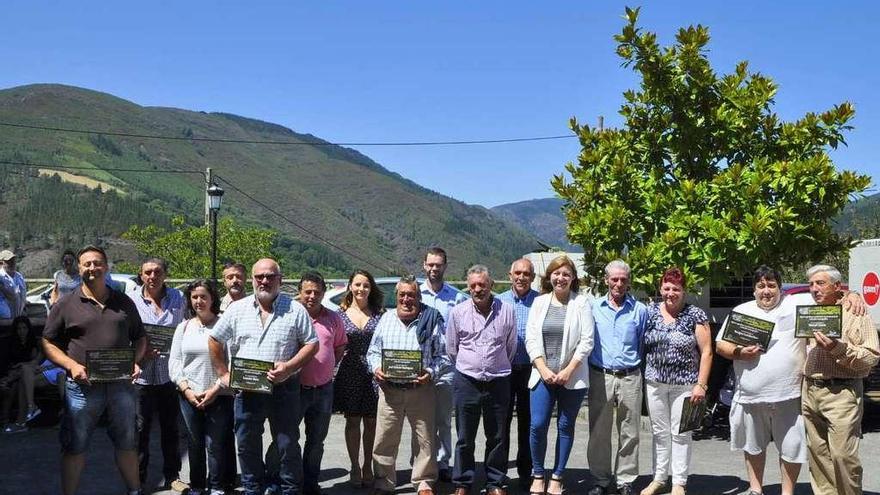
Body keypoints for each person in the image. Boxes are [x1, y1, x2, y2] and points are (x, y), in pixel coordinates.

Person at [42, 245, 147, 495]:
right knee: (74, 445)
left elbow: (140, 338)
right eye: (87, 264)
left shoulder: (123, 302)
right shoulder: (66, 304)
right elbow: (47, 342)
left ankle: (135, 491)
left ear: (106, 266)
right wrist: (71, 365)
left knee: (127, 442)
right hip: (81, 387)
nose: (92, 268)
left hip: (121, 386)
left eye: (97, 263)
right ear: (79, 268)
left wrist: (136, 361)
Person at [208, 258, 318, 495]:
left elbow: (312, 344)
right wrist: (223, 373)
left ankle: (289, 489)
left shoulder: (295, 309)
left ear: (280, 279)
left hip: (284, 388)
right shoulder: (237, 309)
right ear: (252, 280)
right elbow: (215, 339)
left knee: (287, 444)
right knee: (247, 444)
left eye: (270, 276)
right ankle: (252, 489)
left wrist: (288, 367)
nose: (265, 281)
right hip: (247, 389)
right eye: (260, 277)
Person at [713, 266, 806, 495]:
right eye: (761, 286)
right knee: (753, 446)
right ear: (754, 289)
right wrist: (739, 353)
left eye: (772, 285)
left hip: (790, 394)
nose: (766, 291)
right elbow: (720, 345)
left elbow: (829, 298)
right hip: (752, 395)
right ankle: (756, 490)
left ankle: (787, 492)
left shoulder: (796, 306)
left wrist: (852, 295)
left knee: (792, 446)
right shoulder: (741, 311)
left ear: (780, 288)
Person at [800, 264, 879, 495]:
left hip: (841, 392)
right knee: (818, 455)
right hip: (810, 389)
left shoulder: (856, 313)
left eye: (821, 283)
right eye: (811, 284)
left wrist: (839, 349)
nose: (814, 289)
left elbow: (872, 356)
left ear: (837, 287)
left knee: (843, 455)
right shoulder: (807, 312)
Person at [367, 276, 448, 495]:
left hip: (421, 389)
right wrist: (376, 368)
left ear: (418, 296)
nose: (406, 299)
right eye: (402, 294)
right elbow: (373, 352)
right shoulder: (386, 319)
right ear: (397, 296)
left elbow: (444, 355)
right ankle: (384, 482)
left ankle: (423, 482)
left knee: (425, 438)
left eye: (411, 295)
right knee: (384, 439)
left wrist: (430, 373)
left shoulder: (431, 319)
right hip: (389, 390)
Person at [525, 255, 594, 495]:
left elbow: (587, 341)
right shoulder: (540, 302)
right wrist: (543, 369)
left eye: (566, 274)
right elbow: (531, 338)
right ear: (550, 276)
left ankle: (557, 476)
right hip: (542, 376)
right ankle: (537, 473)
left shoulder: (581, 304)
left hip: (572, 378)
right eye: (556, 273)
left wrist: (567, 371)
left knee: (565, 426)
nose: (561, 277)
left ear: (573, 278)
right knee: (537, 425)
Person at [641, 267, 713, 495]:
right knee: (659, 433)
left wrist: (701, 385)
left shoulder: (696, 315)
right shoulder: (650, 312)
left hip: (686, 386)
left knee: (681, 434)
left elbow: (707, 351)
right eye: (667, 288)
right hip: (654, 383)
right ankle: (659, 478)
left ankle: (679, 483)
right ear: (660, 288)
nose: (670, 293)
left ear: (684, 291)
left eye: (676, 289)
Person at [447, 265, 517, 495]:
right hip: (467, 381)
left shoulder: (507, 311)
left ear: (491, 286)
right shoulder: (458, 312)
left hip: (498, 381)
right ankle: (463, 482)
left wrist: (493, 366)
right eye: (474, 285)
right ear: (468, 287)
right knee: (465, 436)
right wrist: (473, 365)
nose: (478, 289)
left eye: (482, 285)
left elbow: (511, 347)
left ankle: (494, 483)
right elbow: (452, 349)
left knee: (496, 436)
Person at [587, 260, 648, 495]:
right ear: (606, 280)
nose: (619, 284)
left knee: (630, 431)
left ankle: (625, 480)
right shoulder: (593, 307)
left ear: (629, 281)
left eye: (623, 279)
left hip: (630, 376)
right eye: (614, 279)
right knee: (599, 431)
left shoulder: (639, 310)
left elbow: (642, 342)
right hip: (600, 375)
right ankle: (600, 480)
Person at [168, 280, 235, 495]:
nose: (199, 301)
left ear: (212, 298)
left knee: (215, 444)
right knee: (194, 443)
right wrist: (186, 389)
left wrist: (216, 388)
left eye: (203, 296)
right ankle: (197, 485)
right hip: (189, 395)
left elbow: (232, 361)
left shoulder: (224, 324)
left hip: (219, 395)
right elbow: (175, 362)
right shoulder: (184, 326)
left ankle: (216, 486)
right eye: (194, 297)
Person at [127, 257, 188, 491]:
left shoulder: (178, 299)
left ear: (165, 274)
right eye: (148, 272)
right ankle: (139, 479)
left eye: (157, 272)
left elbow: (186, 330)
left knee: (170, 429)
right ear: (141, 275)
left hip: (168, 375)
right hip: (141, 376)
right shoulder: (131, 300)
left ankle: (172, 475)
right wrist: (139, 353)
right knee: (140, 430)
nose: (153, 276)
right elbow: (124, 334)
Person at [417, 246, 467, 482]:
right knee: (419, 418)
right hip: (418, 366)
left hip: (446, 366)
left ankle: (443, 462)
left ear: (445, 266)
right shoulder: (415, 294)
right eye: (431, 264)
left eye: (439, 265)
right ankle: (420, 461)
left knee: (444, 418)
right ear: (424, 265)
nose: (434, 268)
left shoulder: (456, 297)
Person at [297, 271, 347, 495]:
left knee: (316, 442)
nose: (312, 296)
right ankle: (282, 480)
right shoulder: (291, 315)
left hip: (324, 389)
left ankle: (310, 484)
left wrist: (327, 366)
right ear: (300, 292)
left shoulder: (333, 318)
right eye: (307, 291)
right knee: (286, 438)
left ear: (323, 293)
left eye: (317, 292)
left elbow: (339, 346)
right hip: (294, 389)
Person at [333, 269, 384, 488]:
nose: (361, 289)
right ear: (350, 287)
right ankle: (354, 465)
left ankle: (367, 466)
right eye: (357, 284)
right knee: (353, 421)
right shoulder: (339, 314)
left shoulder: (379, 313)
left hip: (374, 373)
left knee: (372, 423)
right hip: (350, 371)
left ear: (371, 288)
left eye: (365, 285)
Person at [498, 258, 538, 489]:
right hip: (504, 370)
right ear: (510, 275)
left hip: (531, 371)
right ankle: (499, 472)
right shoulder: (499, 302)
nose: (521, 277)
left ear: (532, 277)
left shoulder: (541, 302)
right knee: (501, 423)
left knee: (529, 422)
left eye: (526, 274)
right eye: (518, 273)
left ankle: (526, 471)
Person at [0, 249, 27, 319]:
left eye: (13, 260)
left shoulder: (19, 276)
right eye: (8, 261)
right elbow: (11, 296)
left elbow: (22, 295)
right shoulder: (1, 277)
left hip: (18, 316)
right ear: (2, 263)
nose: (12, 263)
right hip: (5, 319)